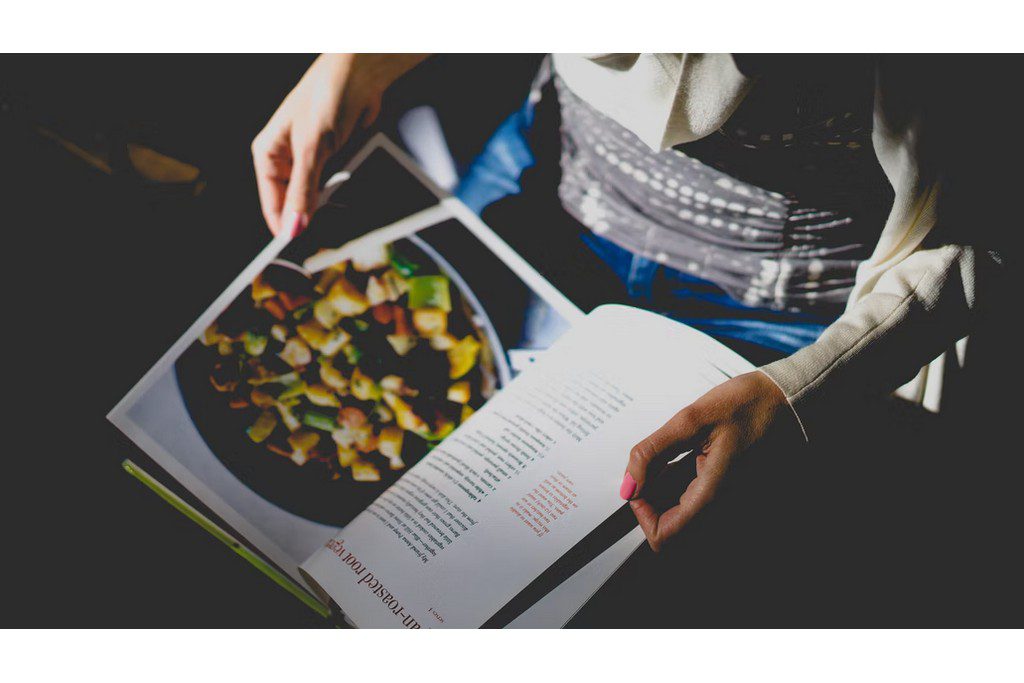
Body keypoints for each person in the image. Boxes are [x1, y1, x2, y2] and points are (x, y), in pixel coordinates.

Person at [252, 53, 1004, 558]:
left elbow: (987, 226)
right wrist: (360, 56)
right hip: (549, 176)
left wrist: (800, 388)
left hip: (784, 311)